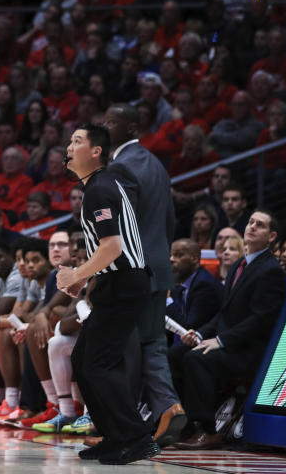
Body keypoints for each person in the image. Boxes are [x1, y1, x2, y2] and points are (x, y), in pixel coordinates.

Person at [55, 124, 159, 465]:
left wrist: (76, 273)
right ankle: (115, 436)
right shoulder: (100, 186)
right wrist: (83, 281)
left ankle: (137, 437)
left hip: (126, 284)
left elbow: (113, 248)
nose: (69, 146)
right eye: (70, 141)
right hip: (118, 283)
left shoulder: (100, 188)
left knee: (98, 363)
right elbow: (109, 251)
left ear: (96, 151)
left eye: (77, 141)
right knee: (84, 362)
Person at [102, 103, 185, 446]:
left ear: (132, 128)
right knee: (151, 343)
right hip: (157, 269)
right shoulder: (157, 166)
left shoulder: (121, 166)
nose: (104, 127)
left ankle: (124, 427)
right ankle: (169, 406)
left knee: (122, 348)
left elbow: (120, 229)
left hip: (132, 272)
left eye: (112, 122)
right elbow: (169, 222)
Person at [170, 210, 286, 450]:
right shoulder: (238, 266)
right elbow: (224, 313)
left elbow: (260, 320)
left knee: (196, 360)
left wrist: (220, 340)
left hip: (252, 351)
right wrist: (201, 334)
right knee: (175, 355)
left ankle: (208, 430)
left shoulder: (271, 270)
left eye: (260, 225)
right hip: (231, 344)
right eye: (251, 222)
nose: (252, 227)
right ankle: (188, 424)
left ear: (271, 236)